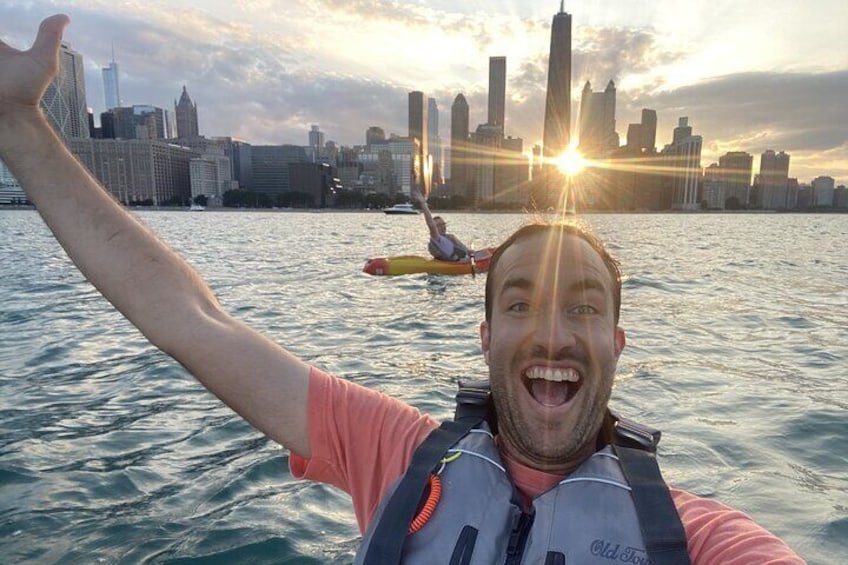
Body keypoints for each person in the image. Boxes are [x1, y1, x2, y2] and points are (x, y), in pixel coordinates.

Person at [0, 16, 803, 564]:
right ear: (485, 339)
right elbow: (191, 321)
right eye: (518, 301)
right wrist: (18, 125)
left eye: (584, 306)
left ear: (616, 345)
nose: (553, 332)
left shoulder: (697, 537)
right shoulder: (391, 449)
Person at [410, 185, 472, 261]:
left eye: (443, 224)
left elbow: (467, 252)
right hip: (457, 264)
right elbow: (431, 225)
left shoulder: (450, 237)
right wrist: (423, 203)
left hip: (465, 260)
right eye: (439, 225)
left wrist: (469, 251)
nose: (443, 227)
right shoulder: (436, 238)